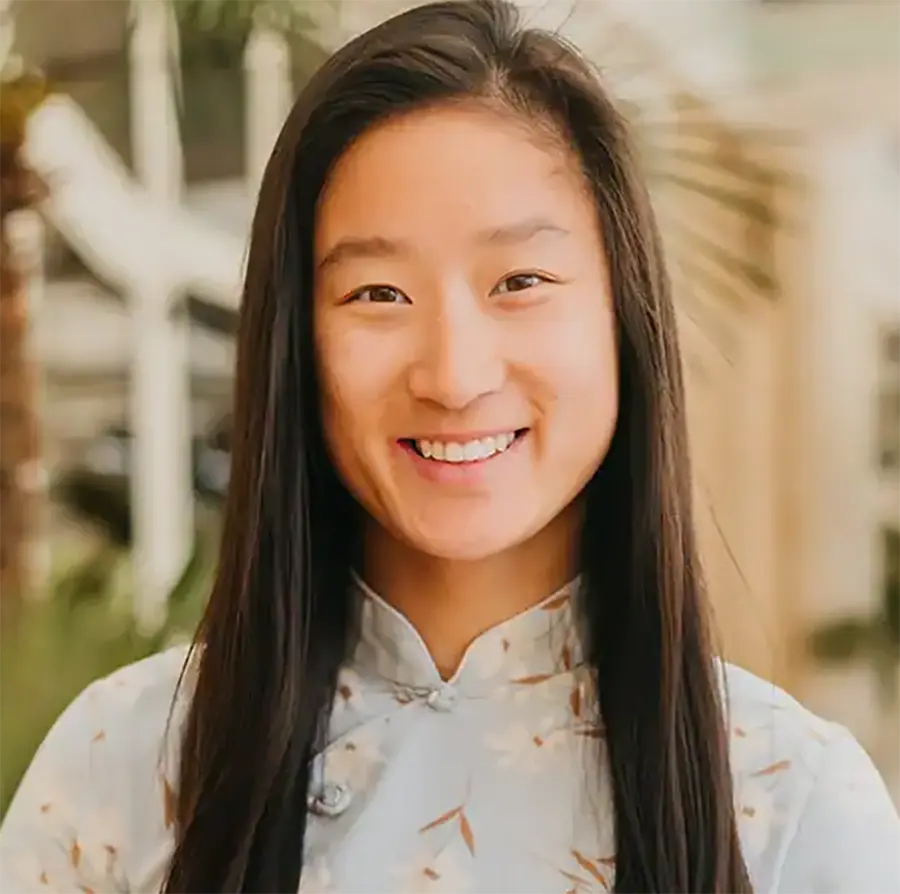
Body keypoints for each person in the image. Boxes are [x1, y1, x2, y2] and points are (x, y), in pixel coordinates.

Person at [3, 1, 900, 891]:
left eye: (520, 281)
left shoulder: (789, 799)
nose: (454, 374)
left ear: (623, 320)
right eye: (378, 294)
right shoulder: (124, 769)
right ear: (294, 345)